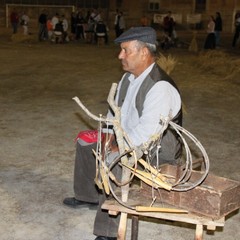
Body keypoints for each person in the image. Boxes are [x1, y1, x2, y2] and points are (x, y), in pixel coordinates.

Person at [63, 27, 182, 240]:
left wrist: (117, 147)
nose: (120, 56)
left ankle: (108, 231)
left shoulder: (160, 87)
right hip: (129, 138)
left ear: (144, 52)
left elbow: (148, 132)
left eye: (126, 50)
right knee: (86, 142)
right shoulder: (129, 78)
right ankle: (87, 195)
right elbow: (114, 112)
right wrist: (108, 135)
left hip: (157, 150)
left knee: (114, 159)